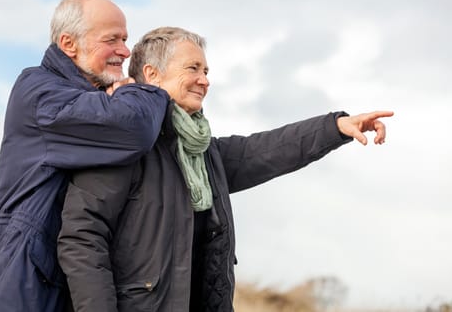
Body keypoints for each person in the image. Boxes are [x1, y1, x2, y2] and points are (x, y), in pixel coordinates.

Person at [57, 27, 394, 312]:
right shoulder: (124, 144)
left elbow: (269, 149)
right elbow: (82, 237)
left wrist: (335, 126)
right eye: (193, 68)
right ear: (151, 75)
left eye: (206, 71)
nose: (204, 81)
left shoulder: (204, 153)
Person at [0, 0, 170, 312]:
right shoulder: (40, 91)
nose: (124, 51)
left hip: (61, 274)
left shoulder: (93, 95)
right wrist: (146, 90)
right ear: (69, 44)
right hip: (26, 277)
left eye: (125, 38)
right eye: (112, 40)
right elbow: (133, 128)